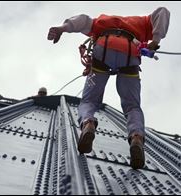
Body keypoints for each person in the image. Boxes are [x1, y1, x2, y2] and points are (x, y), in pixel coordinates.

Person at [47, 7, 170, 169]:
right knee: (132, 106)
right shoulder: (141, 23)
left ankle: (88, 123)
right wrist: (155, 40)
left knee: (89, 100)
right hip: (130, 57)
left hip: (102, 52)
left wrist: (62, 28)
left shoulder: (102, 21)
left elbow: (82, 20)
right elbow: (162, 12)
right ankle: (137, 137)